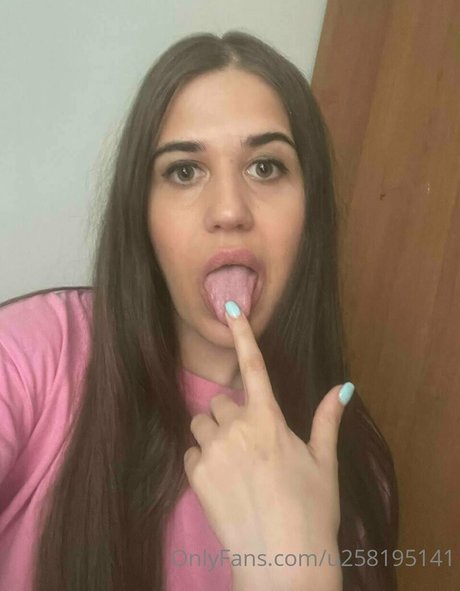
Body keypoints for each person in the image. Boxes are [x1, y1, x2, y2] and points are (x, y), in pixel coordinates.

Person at [0, 31, 399, 591]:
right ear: (141, 213)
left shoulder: (353, 467)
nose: (230, 210)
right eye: (184, 171)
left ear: (311, 212)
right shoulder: (30, 357)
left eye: (266, 167)